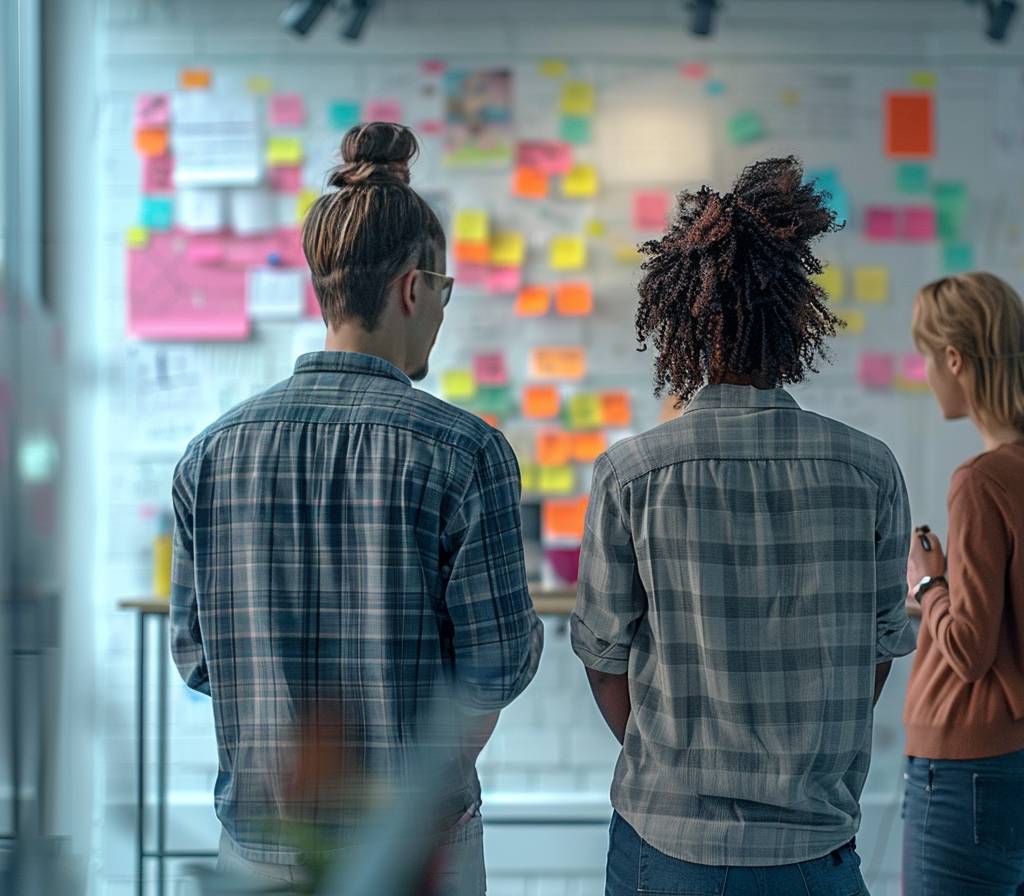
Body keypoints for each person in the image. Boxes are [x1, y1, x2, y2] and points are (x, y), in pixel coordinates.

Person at [169, 122, 543, 894]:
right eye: (442, 290)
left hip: (259, 846)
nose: (440, 309)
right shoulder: (468, 454)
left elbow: (199, 658)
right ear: (414, 287)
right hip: (414, 850)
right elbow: (497, 666)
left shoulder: (209, 456)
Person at [571, 156, 916, 896]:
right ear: (795, 317)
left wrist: (673, 764)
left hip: (665, 845)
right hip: (816, 851)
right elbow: (880, 651)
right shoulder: (869, 470)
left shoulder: (631, 473)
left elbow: (602, 657)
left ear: (681, 321)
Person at [900, 272, 1024, 895]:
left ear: (953, 359)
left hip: (974, 775)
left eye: (927, 357)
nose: (926, 373)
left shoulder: (981, 479)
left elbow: (969, 648)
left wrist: (929, 584)